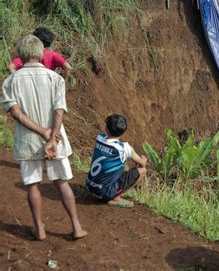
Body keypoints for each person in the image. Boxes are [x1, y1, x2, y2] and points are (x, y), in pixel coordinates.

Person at [0, 35, 87, 240]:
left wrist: (41, 132)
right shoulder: (55, 78)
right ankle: (76, 227)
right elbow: (59, 111)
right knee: (61, 183)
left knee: (32, 185)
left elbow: (15, 113)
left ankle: (39, 229)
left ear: (20, 56)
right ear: (41, 53)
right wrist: (50, 137)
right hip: (55, 142)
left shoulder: (10, 81)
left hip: (27, 141)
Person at [86, 114, 147, 208]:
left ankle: (111, 192)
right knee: (142, 171)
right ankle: (115, 197)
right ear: (123, 133)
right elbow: (142, 163)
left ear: (106, 129)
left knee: (121, 162)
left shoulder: (100, 137)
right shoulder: (124, 148)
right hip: (104, 193)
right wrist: (143, 159)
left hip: (90, 187)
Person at [7, 27, 72, 79]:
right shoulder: (53, 55)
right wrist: (61, 81)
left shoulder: (29, 54)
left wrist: (18, 80)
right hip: (47, 86)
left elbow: (10, 67)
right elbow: (68, 67)